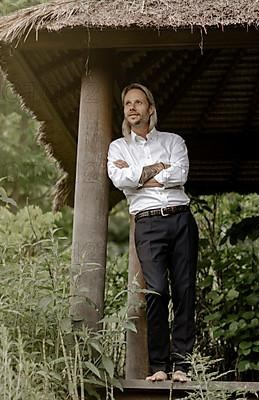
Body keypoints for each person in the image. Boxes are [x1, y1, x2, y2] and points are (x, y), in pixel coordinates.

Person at [106, 83, 199, 383]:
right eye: (127, 104)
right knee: (157, 290)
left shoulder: (174, 141)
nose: (132, 107)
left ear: (150, 108)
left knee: (184, 290)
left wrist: (140, 175)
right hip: (147, 224)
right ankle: (158, 365)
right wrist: (159, 169)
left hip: (181, 219)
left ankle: (182, 366)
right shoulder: (118, 148)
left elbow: (180, 174)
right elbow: (122, 180)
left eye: (138, 102)